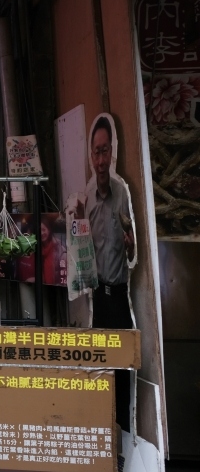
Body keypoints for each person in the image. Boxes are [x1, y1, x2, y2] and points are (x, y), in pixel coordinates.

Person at [86, 116, 135, 329]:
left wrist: (131, 246)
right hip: (98, 296)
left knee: (124, 358)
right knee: (102, 359)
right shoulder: (87, 199)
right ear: (91, 156)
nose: (101, 161)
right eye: (97, 152)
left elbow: (131, 254)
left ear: (111, 152)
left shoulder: (122, 194)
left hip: (119, 294)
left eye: (105, 151)